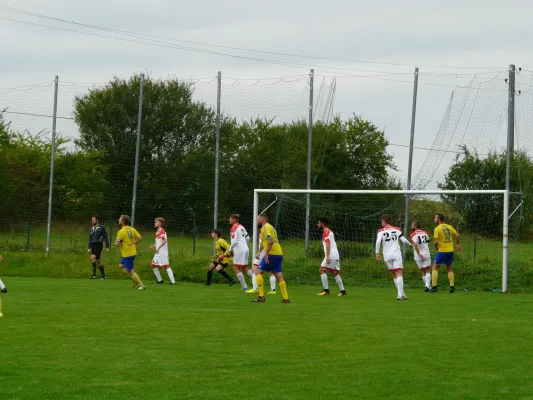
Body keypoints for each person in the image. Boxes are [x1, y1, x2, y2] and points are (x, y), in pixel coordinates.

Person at [252, 213, 290, 303]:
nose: (257, 221)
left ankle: (261, 297)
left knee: (258, 271)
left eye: (257, 219)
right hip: (279, 254)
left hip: (272, 254)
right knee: (278, 275)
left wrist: (266, 254)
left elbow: (270, 241)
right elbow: (263, 242)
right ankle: (286, 298)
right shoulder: (269, 227)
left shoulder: (266, 227)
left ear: (261, 220)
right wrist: (259, 252)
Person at [375, 215, 413, 300]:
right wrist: (410, 245)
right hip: (396, 254)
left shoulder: (380, 231)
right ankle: (400, 295)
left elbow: (378, 242)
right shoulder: (397, 229)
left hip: (387, 255)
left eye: (382, 221)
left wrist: (377, 252)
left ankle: (402, 294)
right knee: (399, 272)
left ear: (384, 222)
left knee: (394, 273)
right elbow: (403, 239)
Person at [429, 214, 462, 293]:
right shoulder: (449, 226)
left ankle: (434, 287)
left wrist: (436, 247)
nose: (434, 219)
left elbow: (436, 242)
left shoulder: (437, 228)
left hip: (443, 251)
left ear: (439, 219)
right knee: (449, 268)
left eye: (435, 218)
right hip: (451, 251)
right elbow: (457, 235)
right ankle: (452, 287)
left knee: (434, 268)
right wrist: (457, 244)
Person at [316, 217, 347, 297]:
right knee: (334, 273)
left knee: (322, 269)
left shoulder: (326, 232)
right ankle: (343, 291)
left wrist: (327, 256)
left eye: (319, 223)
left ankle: (326, 290)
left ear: (323, 224)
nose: (318, 224)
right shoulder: (329, 231)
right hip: (335, 255)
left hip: (331, 255)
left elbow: (328, 244)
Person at [115, 215, 145, 290]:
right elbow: (140, 238)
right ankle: (134, 279)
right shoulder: (132, 229)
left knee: (131, 271)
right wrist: (134, 244)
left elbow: (118, 244)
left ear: (122, 222)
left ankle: (141, 285)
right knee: (121, 265)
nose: (119, 220)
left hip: (127, 254)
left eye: (120, 219)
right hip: (132, 252)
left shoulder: (120, 232)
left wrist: (116, 242)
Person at [246, 228, 276, 295]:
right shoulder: (271, 230)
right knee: (271, 271)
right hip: (271, 253)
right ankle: (273, 290)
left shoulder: (263, 230)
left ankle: (255, 288)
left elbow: (263, 243)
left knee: (254, 268)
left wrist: (259, 252)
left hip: (263, 253)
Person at [228, 214, 253, 291]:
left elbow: (234, 241)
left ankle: (245, 286)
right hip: (245, 249)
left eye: (230, 218)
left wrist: (230, 250)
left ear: (234, 219)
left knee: (236, 267)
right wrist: (245, 245)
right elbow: (248, 238)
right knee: (244, 268)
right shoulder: (241, 226)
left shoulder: (233, 228)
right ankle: (258, 279)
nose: (229, 220)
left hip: (239, 250)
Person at [149, 217, 176, 285]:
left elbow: (164, 240)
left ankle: (173, 282)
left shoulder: (162, 231)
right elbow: (159, 242)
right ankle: (160, 280)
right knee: (153, 266)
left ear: (160, 223)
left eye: (156, 222)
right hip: (158, 253)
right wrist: (154, 245)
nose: (155, 223)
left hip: (162, 252)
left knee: (166, 266)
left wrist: (158, 248)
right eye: (155, 222)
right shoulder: (157, 232)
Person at [410, 221, 432, 292]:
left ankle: (427, 286)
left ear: (415, 226)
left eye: (412, 225)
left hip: (418, 255)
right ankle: (428, 286)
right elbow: (427, 241)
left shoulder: (413, 234)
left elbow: (415, 244)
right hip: (426, 253)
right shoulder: (425, 233)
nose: (411, 226)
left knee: (422, 271)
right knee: (428, 270)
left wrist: (419, 253)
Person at [87, 215, 110, 279]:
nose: (92, 221)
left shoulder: (102, 227)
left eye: (93, 220)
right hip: (93, 245)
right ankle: (103, 275)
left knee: (93, 257)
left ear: (97, 220)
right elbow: (90, 238)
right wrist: (89, 247)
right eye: (92, 220)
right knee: (98, 260)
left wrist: (107, 246)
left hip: (99, 244)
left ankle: (94, 275)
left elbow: (105, 237)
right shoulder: (91, 228)